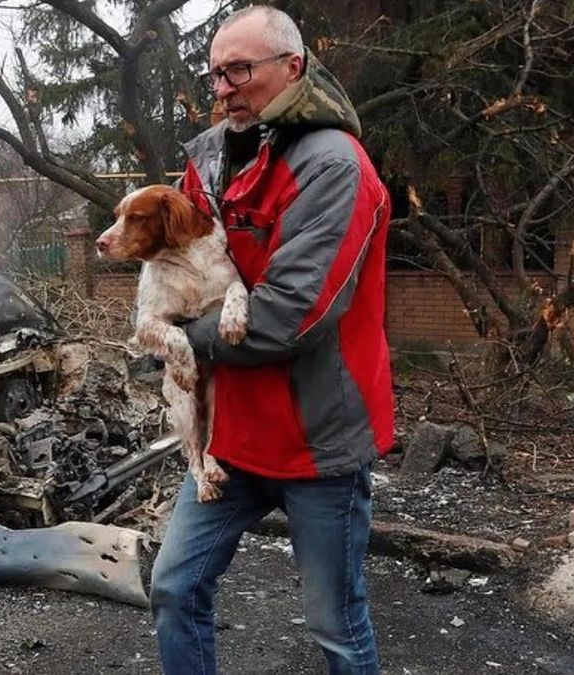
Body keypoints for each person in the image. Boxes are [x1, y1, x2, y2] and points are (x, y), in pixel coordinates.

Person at [148, 6, 394, 675]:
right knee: (173, 585)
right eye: (216, 74)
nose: (224, 87)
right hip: (230, 438)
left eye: (240, 70)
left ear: (294, 67)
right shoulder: (209, 162)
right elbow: (170, 262)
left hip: (318, 440)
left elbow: (288, 317)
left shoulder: (336, 167)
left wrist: (176, 339)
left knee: (335, 623)